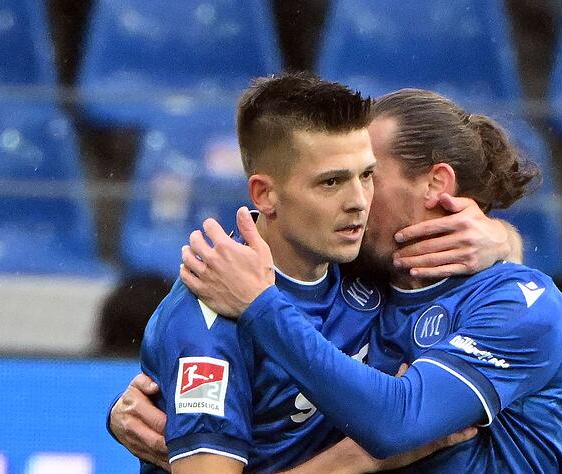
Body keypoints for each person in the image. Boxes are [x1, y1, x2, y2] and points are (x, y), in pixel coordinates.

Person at [112, 73, 522, 473]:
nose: (359, 201)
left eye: (367, 175)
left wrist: (502, 238)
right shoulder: (210, 320)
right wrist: (376, 454)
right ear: (264, 194)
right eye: (331, 182)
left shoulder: (360, 257)